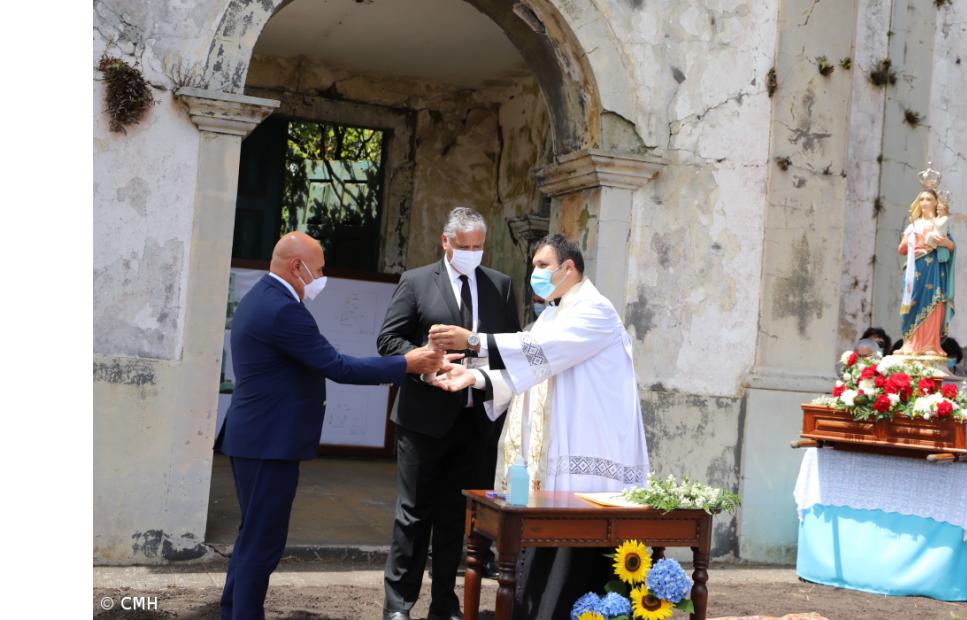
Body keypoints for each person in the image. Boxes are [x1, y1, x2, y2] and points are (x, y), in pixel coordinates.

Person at [213, 232, 444, 620]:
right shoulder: (282, 308)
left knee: (252, 537)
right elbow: (338, 366)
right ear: (295, 266)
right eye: (318, 268)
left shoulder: (265, 298)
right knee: (262, 543)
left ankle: (232, 611)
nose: (322, 276)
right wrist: (409, 363)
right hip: (269, 442)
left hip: (257, 437)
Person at [430, 233, 649, 620]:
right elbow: (530, 369)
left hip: (588, 453)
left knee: (574, 564)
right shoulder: (551, 314)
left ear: (569, 268)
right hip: (550, 460)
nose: (535, 274)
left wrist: (475, 341)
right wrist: (474, 379)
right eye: (533, 266)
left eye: (542, 266)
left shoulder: (595, 310)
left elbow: (542, 353)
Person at [378, 207, 520, 620]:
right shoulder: (417, 281)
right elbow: (388, 341)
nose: (472, 253)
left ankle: (444, 603)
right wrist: (427, 363)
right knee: (413, 514)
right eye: (464, 247)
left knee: (457, 519)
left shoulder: (500, 285)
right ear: (446, 242)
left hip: (477, 421)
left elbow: (510, 348)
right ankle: (398, 605)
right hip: (424, 419)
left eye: (478, 247)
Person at [897, 163, 956, 356]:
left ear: (935, 202)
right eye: (921, 199)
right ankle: (910, 343)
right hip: (916, 268)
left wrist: (943, 241)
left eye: (928, 199)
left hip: (935, 270)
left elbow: (951, 247)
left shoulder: (941, 223)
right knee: (913, 302)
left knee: (934, 301)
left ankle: (931, 345)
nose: (924, 203)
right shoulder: (914, 224)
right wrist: (915, 242)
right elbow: (902, 249)